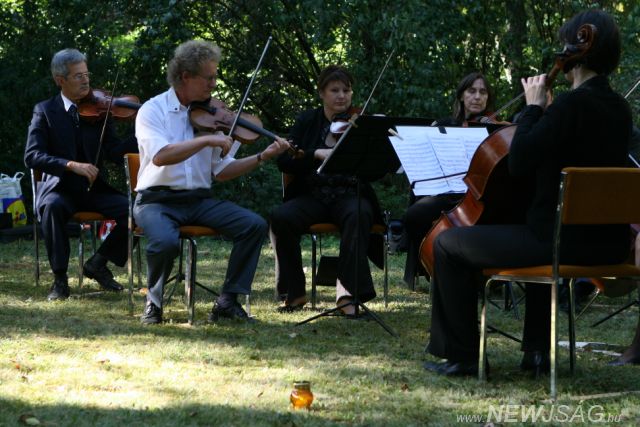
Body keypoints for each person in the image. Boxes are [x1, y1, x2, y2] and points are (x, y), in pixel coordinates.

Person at [423, 9, 632, 376]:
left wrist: (534, 107)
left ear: (575, 53)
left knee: (448, 244)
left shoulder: (567, 106)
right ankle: (536, 352)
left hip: (558, 244)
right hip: (608, 245)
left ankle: (463, 356)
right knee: (535, 228)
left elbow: (519, 162)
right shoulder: (620, 109)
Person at [134, 40, 290, 324]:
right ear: (185, 76)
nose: (214, 85)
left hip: (198, 200)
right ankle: (153, 303)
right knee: (166, 242)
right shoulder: (152, 110)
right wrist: (206, 140)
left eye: (215, 77)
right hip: (156, 201)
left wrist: (262, 157)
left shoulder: (213, 117)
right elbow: (160, 156)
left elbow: (222, 171)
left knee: (253, 225)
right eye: (208, 78)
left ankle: (227, 301)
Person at [270, 65, 385, 314]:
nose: (342, 96)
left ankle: (348, 296)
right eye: (335, 90)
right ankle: (294, 292)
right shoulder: (307, 121)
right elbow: (284, 161)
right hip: (312, 195)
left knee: (359, 214)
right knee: (280, 217)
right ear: (321, 92)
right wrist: (314, 153)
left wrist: (377, 152)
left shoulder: (361, 122)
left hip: (349, 194)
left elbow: (376, 173)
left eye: (346, 90)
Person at [24, 48, 137, 301]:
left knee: (136, 211)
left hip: (93, 190)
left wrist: (141, 134)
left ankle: (98, 263)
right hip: (60, 188)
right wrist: (70, 165)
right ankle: (60, 279)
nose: (86, 81)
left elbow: (114, 153)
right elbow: (32, 155)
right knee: (52, 207)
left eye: (86, 74)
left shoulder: (100, 112)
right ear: (60, 80)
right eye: (78, 76)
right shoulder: (45, 111)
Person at [402, 72, 495, 286]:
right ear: (461, 95)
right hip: (447, 193)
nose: (477, 97)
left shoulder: (493, 128)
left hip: (479, 196)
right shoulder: (443, 125)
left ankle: (474, 274)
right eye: (472, 91)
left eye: (483, 92)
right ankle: (435, 267)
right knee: (414, 215)